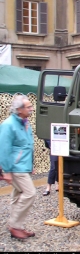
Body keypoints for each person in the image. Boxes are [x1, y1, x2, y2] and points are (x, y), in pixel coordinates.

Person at [0, 95, 36, 240]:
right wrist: (6, 171)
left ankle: (17, 226)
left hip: (22, 166)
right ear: (19, 109)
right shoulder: (8, 125)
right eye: (28, 107)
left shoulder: (24, 123)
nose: (31, 109)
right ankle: (15, 226)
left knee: (18, 195)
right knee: (30, 193)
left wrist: (30, 165)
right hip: (15, 167)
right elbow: (4, 149)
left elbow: (28, 146)